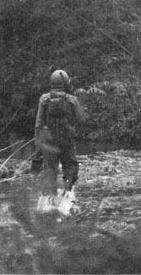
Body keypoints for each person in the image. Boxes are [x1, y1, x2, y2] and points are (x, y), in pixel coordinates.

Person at [34, 69, 86, 199]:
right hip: (66, 140)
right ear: (66, 82)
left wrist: (38, 148)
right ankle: (67, 194)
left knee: (50, 171)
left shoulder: (44, 99)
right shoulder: (71, 100)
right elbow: (81, 119)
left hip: (49, 141)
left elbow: (38, 124)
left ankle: (49, 201)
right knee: (70, 168)